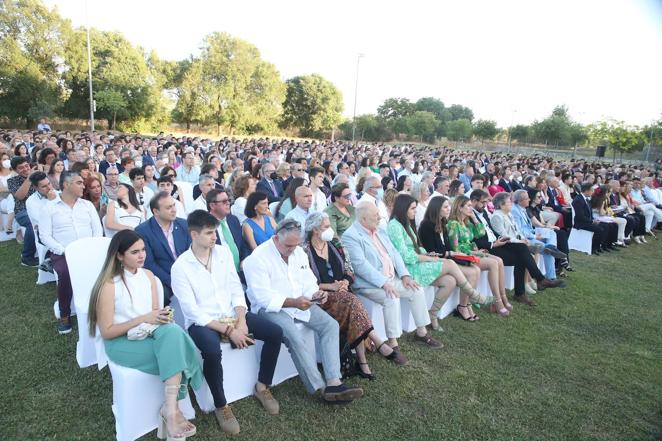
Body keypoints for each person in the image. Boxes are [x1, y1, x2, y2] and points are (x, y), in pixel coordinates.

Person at [171, 210, 282, 435]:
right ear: (194, 234)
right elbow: (192, 311)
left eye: (215, 232)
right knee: (211, 352)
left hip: (233, 313)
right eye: (209, 233)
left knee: (275, 333)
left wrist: (241, 321)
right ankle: (221, 405)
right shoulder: (180, 267)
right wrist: (229, 330)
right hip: (204, 322)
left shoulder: (221, 253)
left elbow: (235, 289)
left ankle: (262, 386)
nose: (215, 237)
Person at [87, 230, 202, 441]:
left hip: (149, 334)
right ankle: (172, 411)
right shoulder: (109, 286)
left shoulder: (148, 275)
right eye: (134, 252)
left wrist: (161, 317)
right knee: (176, 351)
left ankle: (170, 409)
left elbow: (155, 315)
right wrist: (144, 318)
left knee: (172, 335)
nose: (142, 256)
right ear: (119, 256)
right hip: (120, 342)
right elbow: (107, 332)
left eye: (143, 250)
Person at [244, 219, 364, 404]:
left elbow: (308, 281)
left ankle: (334, 381)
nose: (292, 249)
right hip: (271, 308)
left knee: (330, 325)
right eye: (288, 245)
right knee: (293, 336)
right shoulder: (258, 258)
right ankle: (322, 388)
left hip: (300, 303)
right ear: (276, 238)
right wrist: (294, 302)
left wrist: (316, 293)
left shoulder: (298, 252)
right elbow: (263, 297)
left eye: (295, 245)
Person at [303, 212, 408, 378]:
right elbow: (305, 283)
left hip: (345, 294)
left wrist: (344, 282)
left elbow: (349, 270)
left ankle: (363, 361)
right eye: (326, 227)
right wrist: (331, 286)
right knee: (353, 302)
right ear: (315, 230)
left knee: (352, 304)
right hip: (322, 296)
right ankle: (374, 347)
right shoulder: (304, 251)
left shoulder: (335, 244)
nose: (330, 229)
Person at [341, 202, 444, 353]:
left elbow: (394, 253)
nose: (379, 218)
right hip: (369, 284)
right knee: (391, 298)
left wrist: (405, 275)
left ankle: (422, 332)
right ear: (363, 219)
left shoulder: (380, 230)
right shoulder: (350, 236)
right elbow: (361, 266)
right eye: (376, 216)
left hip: (391, 278)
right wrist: (384, 283)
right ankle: (393, 342)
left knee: (416, 289)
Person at [388, 194, 492, 329]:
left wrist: (427, 253)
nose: (416, 211)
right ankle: (474, 295)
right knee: (449, 263)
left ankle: (433, 314)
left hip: (416, 263)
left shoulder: (405, 223)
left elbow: (417, 247)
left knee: (450, 281)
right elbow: (405, 256)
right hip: (408, 270)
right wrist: (430, 258)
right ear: (403, 209)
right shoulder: (394, 226)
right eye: (413, 208)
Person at [469, 189, 564, 305]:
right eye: (483, 202)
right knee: (522, 252)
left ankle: (529, 288)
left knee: (522, 252)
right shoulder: (473, 216)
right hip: (489, 247)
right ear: (474, 201)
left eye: (485, 202)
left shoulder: (483, 213)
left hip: (497, 243)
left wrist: (510, 240)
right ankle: (535, 283)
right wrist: (496, 243)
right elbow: (476, 238)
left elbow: (495, 232)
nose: (485, 205)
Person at [39, 171, 103, 333]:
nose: (84, 186)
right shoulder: (49, 208)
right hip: (63, 253)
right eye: (79, 183)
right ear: (66, 185)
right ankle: (65, 314)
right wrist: (63, 250)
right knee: (65, 273)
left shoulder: (87, 206)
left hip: (89, 250)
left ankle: (100, 307)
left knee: (104, 269)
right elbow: (45, 236)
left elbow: (97, 230)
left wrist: (91, 248)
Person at [418, 196, 483, 321]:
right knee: (472, 272)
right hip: (434, 261)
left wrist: (453, 254)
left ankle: (467, 304)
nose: (449, 209)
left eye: (449, 206)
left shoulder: (443, 223)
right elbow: (432, 251)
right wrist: (451, 254)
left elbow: (447, 248)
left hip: (446, 259)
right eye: (446, 207)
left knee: (476, 269)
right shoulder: (426, 225)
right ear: (437, 209)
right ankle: (463, 306)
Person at [491, 192, 565, 283]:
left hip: (521, 239)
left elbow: (517, 230)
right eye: (509, 201)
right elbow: (505, 237)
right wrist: (521, 241)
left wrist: (523, 239)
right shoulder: (497, 216)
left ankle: (546, 275)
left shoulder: (509, 214)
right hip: (508, 245)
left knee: (550, 236)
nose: (511, 203)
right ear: (501, 205)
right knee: (536, 248)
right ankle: (540, 280)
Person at [135, 192, 191, 305]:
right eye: (168, 207)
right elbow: (149, 264)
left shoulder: (184, 225)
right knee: (162, 296)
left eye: (173, 205)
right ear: (156, 211)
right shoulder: (143, 231)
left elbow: (191, 253)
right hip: (163, 279)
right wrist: (173, 281)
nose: (174, 210)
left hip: (187, 275)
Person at [206, 189, 250, 274]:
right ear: (212, 205)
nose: (228, 203)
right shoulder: (205, 225)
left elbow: (242, 244)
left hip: (241, 271)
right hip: (220, 273)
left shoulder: (233, 220)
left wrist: (244, 259)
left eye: (228, 200)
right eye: (224, 201)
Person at [8, 157, 38, 266]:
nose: (25, 169)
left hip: (40, 209)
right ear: (15, 170)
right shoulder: (12, 181)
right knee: (32, 223)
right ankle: (26, 257)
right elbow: (20, 196)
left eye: (26, 166)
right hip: (22, 211)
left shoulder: (38, 177)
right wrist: (29, 178)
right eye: (21, 168)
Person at [571, 183, 618, 254]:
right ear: (586, 191)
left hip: (587, 221)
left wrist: (594, 220)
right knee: (600, 229)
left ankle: (606, 245)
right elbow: (580, 216)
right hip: (581, 223)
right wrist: (592, 221)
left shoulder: (586, 199)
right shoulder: (578, 200)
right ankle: (594, 247)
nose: (593, 192)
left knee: (609, 225)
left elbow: (589, 213)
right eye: (591, 190)